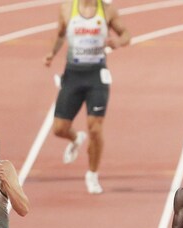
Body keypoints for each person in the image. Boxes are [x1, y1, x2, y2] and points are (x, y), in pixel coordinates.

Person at [44, 0, 130, 194]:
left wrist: (118, 41)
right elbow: (59, 35)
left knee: (95, 127)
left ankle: (92, 174)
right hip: (73, 75)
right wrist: (51, 54)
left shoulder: (106, 10)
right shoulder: (67, 8)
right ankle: (75, 138)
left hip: (96, 76)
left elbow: (126, 34)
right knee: (59, 129)